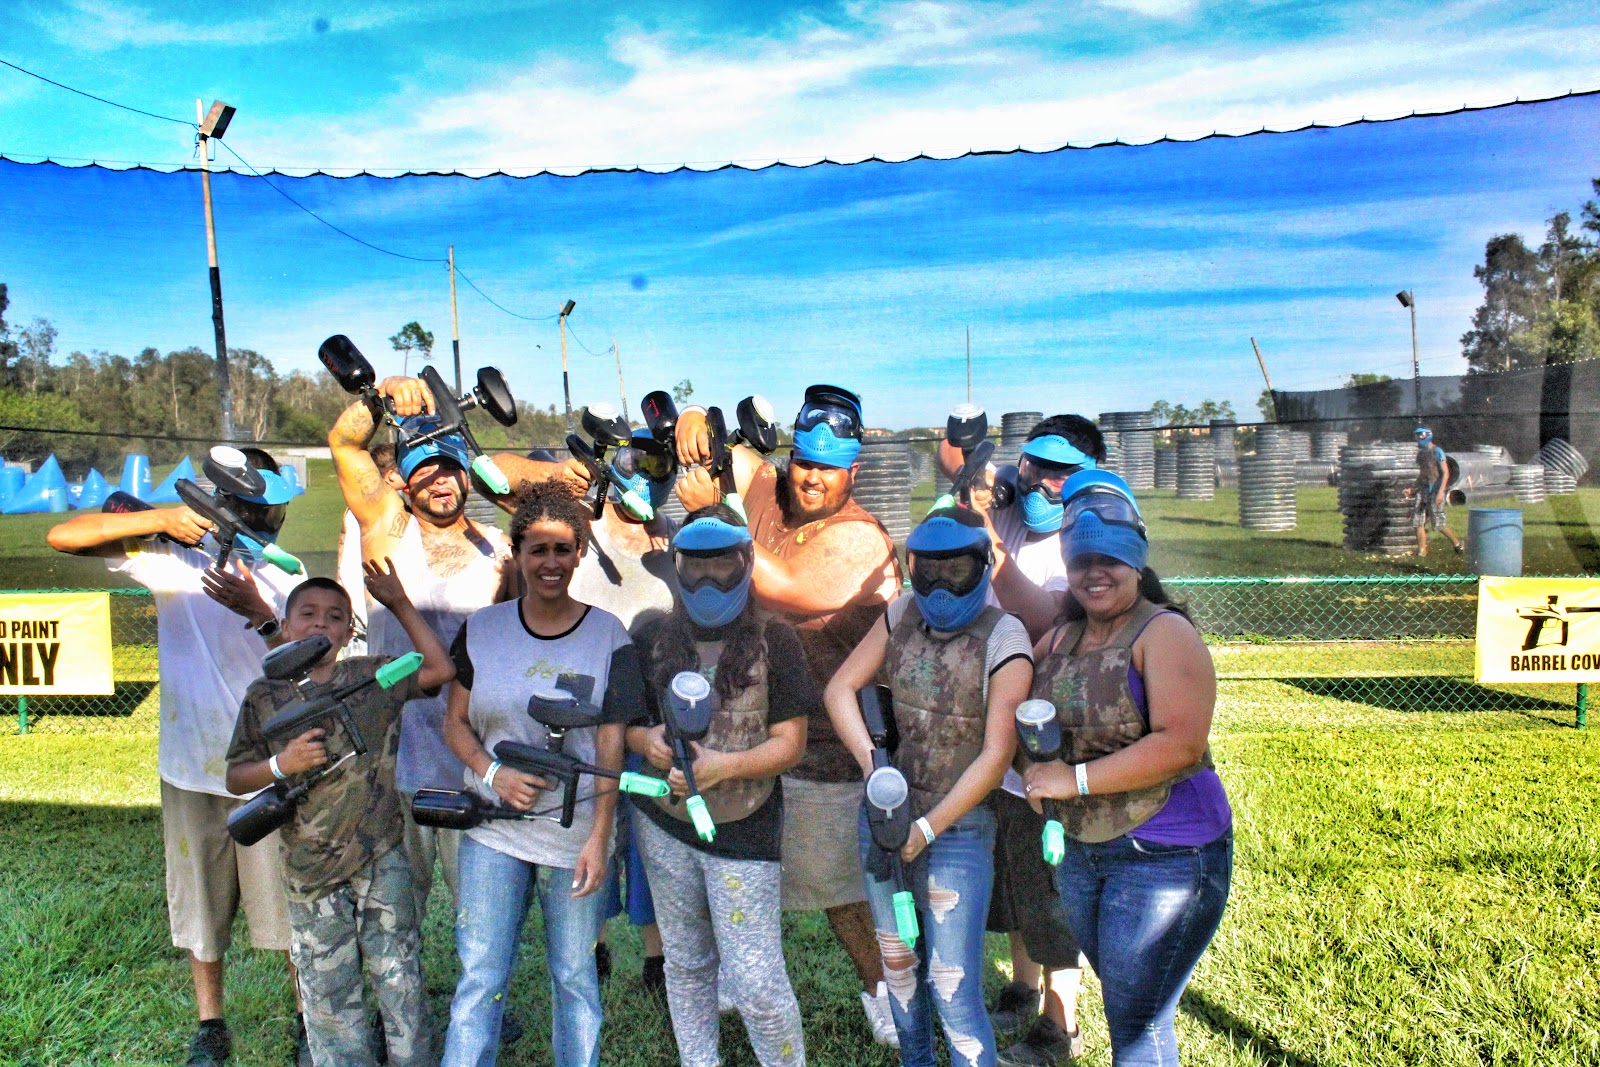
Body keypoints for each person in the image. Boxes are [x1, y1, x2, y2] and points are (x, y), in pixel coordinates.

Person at [47, 448, 304, 1067]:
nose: (270, 521)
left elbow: (307, 664)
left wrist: (259, 612)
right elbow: (64, 535)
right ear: (228, 503)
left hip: (268, 768)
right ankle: (210, 1025)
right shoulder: (173, 556)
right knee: (201, 909)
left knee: (292, 910)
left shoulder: (288, 576)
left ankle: (308, 1018)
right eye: (259, 509)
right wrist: (159, 519)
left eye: (275, 511)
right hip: (191, 764)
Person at [674, 385, 903, 1044]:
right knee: (734, 863)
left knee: (838, 889)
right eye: (804, 461)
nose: (811, 478)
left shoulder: (860, 538)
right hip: (752, 729)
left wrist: (711, 511)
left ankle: (883, 993)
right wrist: (696, 420)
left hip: (828, 747)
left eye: (829, 468)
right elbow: (738, 455)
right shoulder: (774, 492)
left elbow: (781, 584)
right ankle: (733, 973)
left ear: (853, 472)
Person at [1021, 470, 1233, 1067]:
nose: (1095, 572)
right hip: (1083, 850)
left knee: (1137, 1020)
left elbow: (1181, 744)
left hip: (1165, 850)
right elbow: (1015, 706)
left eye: (1110, 559)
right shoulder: (1060, 639)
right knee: (1125, 1000)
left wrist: (1072, 781)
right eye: (1081, 560)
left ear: (1137, 560)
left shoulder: (1163, 632)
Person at [439, 480, 648, 1067]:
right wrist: (493, 774)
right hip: (493, 830)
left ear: (580, 553)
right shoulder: (483, 629)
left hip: (571, 837)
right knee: (480, 976)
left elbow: (609, 745)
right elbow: (455, 724)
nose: (550, 562)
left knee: (575, 977)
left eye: (562, 549)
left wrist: (600, 837)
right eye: (537, 549)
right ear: (517, 554)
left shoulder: (608, 635)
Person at [824, 506, 1032, 1067]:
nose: (939, 587)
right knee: (899, 972)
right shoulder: (901, 612)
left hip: (958, 828)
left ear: (982, 567)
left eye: (955, 571)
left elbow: (997, 754)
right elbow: (840, 689)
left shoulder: (1004, 634)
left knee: (951, 986)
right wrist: (875, 771)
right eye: (928, 570)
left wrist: (927, 828)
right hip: (887, 821)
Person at [225, 567, 456, 1066]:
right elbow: (236, 776)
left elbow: (439, 669)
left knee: (400, 977)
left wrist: (398, 603)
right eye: (307, 615)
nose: (320, 625)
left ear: (350, 631)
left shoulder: (373, 677)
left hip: (382, 856)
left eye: (334, 617)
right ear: (286, 625)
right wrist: (281, 765)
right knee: (328, 990)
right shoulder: (265, 695)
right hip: (310, 868)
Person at [329, 377, 534, 920]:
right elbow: (345, 444)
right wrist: (380, 397)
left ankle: (480, 982)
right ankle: (401, 984)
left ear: (468, 473)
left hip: (470, 757)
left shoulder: (499, 550)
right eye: (427, 469)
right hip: (391, 757)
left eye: (451, 468)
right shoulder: (387, 528)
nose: (442, 481)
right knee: (393, 913)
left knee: (481, 912)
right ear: (403, 478)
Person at [945, 414, 1106, 1066]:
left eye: (1061, 472)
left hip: (1058, 734)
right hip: (998, 726)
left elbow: (1047, 617)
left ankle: (1059, 1023)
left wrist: (990, 541)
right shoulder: (1009, 505)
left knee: (1050, 881)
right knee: (1013, 869)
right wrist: (971, 474)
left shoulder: (1092, 533)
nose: (1042, 482)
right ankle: (1021, 983)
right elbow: (955, 471)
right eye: (1036, 465)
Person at [628, 506, 812, 1067]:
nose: (708, 580)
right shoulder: (651, 635)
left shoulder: (776, 641)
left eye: (722, 565)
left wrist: (723, 768)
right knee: (685, 964)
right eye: (696, 565)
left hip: (744, 827)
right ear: (676, 567)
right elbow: (628, 724)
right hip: (664, 824)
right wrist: (649, 742)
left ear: (746, 562)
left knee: (756, 981)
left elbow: (791, 744)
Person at [1407, 427, 1463, 556]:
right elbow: (1422, 475)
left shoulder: (1438, 452)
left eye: (1420, 436)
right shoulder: (1421, 454)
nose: (1418, 439)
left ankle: (1457, 544)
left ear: (1427, 435)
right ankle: (1422, 551)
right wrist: (1412, 488)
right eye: (1417, 436)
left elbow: (1445, 473)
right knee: (1418, 521)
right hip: (1423, 490)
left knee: (1438, 523)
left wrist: (1441, 492)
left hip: (1436, 490)